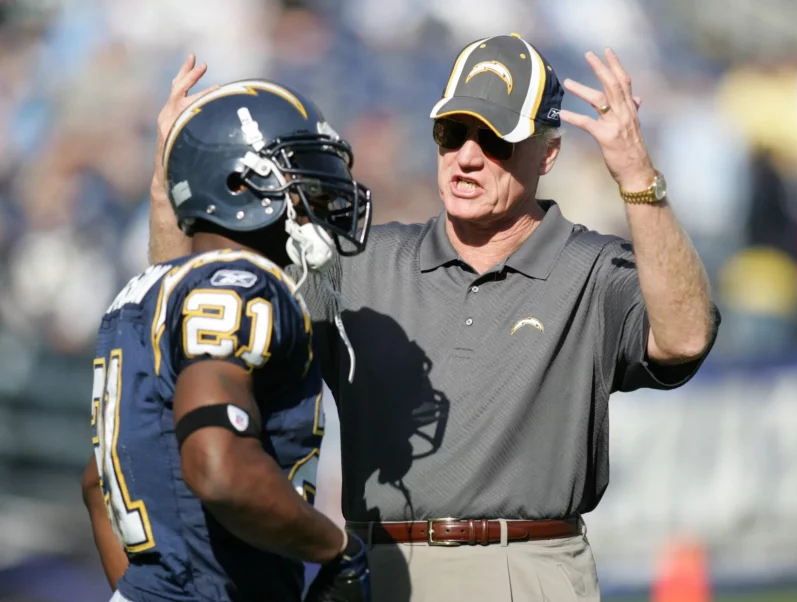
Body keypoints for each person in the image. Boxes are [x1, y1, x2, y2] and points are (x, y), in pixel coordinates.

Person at [148, 34, 719, 602]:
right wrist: (171, 186)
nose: (467, 156)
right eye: (452, 132)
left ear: (548, 153)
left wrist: (638, 180)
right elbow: (191, 308)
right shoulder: (358, 261)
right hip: (378, 564)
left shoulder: (592, 268)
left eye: (494, 139)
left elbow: (685, 337)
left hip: (526, 567)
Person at [81, 74, 373, 602]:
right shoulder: (246, 284)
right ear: (239, 183)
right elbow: (216, 466)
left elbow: (97, 487)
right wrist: (335, 548)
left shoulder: (143, 293)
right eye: (297, 171)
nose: (321, 190)